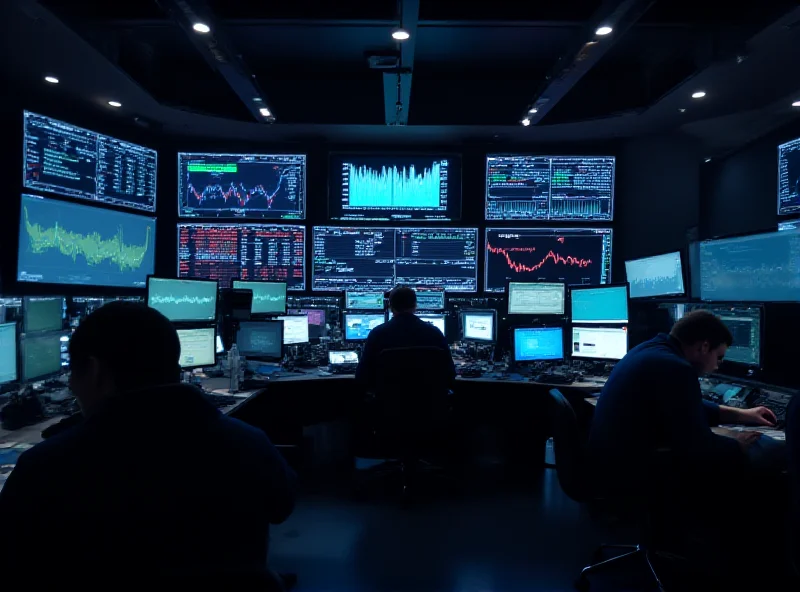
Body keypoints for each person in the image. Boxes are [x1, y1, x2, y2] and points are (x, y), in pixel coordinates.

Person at [0, 302, 296, 587]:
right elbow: (282, 507)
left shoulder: (45, 469)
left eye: (72, 376)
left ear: (94, 371)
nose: (72, 387)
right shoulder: (249, 444)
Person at [588, 310, 777, 495]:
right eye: (718, 357)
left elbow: (683, 405)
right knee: (764, 453)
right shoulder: (677, 368)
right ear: (704, 347)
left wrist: (742, 414)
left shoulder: (652, 349)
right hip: (626, 477)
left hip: (608, 466)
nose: (717, 365)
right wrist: (738, 443)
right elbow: (697, 446)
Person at [355, 286, 455, 391]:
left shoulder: (377, 334)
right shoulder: (435, 333)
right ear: (415, 306)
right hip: (429, 403)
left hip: (388, 403)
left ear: (391, 307)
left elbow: (362, 377)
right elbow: (450, 374)